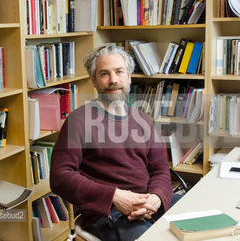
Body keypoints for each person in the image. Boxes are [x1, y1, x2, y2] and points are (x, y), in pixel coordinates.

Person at [50, 45, 173, 241]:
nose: (113, 80)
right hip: (109, 214)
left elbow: (160, 170)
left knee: (199, 221)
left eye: (119, 72)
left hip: (149, 205)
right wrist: (115, 197)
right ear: (94, 81)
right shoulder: (78, 121)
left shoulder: (143, 120)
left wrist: (156, 199)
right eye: (104, 74)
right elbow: (59, 177)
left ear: (129, 76)